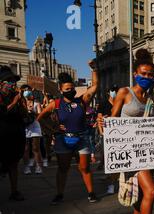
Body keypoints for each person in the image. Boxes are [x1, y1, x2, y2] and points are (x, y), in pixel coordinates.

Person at [98, 49, 154, 214]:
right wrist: (103, 124)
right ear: (135, 73)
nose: (146, 78)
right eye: (143, 73)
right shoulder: (125, 93)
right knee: (151, 191)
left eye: (150, 75)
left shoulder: (150, 99)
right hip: (129, 151)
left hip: (146, 152)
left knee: (144, 192)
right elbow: (112, 120)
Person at [37, 61, 99, 205]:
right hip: (63, 140)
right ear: (61, 89)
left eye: (72, 88)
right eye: (67, 89)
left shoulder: (82, 101)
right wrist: (53, 129)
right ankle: (59, 194)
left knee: (84, 168)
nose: (70, 90)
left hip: (82, 138)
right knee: (63, 168)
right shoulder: (56, 104)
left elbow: (95, 86)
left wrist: (94, 69)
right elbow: (40, 118)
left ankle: (91, 193)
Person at [0, 66, 26, 201]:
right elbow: (3, 111)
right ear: (1, 83)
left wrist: (20, 103)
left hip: (15, 136)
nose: (12, 84)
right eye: (9, 81)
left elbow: (24, 115)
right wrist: (14, 102)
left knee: (13, 164)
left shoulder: (15, 96)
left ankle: (14, 191)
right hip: (2, 137)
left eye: (13, 81)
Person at [98, 85, 119, 193]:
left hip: (118, 136)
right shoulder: (103, 104)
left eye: (116, 90)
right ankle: (110, 183)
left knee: (116, 159)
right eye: (112, 90)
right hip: (106, 136)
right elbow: (99, 119)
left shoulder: (120, 103)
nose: (114, 92)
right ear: (108, 92)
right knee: (108, 160)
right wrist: (102, 133)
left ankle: (113, 182)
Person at [21, 85, 44, 175]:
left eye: (28, 90)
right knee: (26, 149)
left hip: (35, 127)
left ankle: (38, 166)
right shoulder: (21, 103)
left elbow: (40, 115)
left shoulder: (36, 103)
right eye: (25, 90)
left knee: (35, 148)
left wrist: (32, 111)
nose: (27, 91)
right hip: (25, 127)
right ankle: (27, 167)